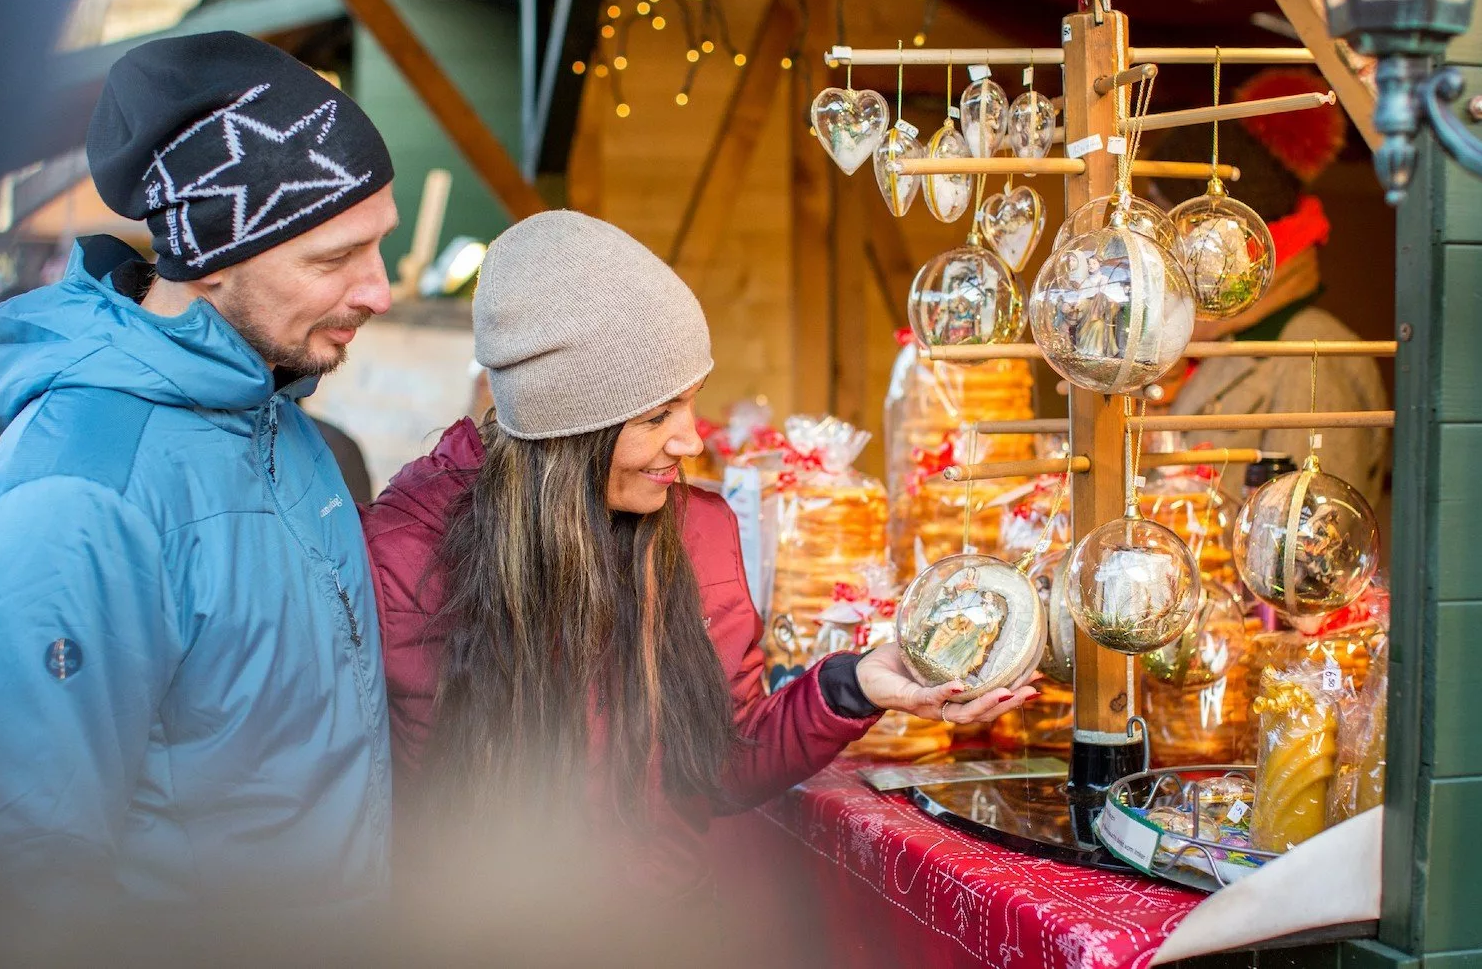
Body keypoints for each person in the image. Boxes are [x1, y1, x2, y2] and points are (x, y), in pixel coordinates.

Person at [362, 210, 1038, 892]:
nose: (690, 442)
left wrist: (853, 684)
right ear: (567, 431)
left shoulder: (696, 531)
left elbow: (718, 761)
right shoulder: (405, 556)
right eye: (657, 416)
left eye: (691, 403)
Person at [0, 31, 398, 917]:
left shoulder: (280, 425)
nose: (378, 289)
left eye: (380, 244)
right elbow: (17, 884)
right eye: (335, 258)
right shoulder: (78, 501)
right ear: (215, 259)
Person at [1148, 69, 1389, 508]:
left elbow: (1310, 546)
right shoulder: (1194, 344)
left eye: (1173, 224)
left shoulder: (1312, 355)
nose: (1160, 245)